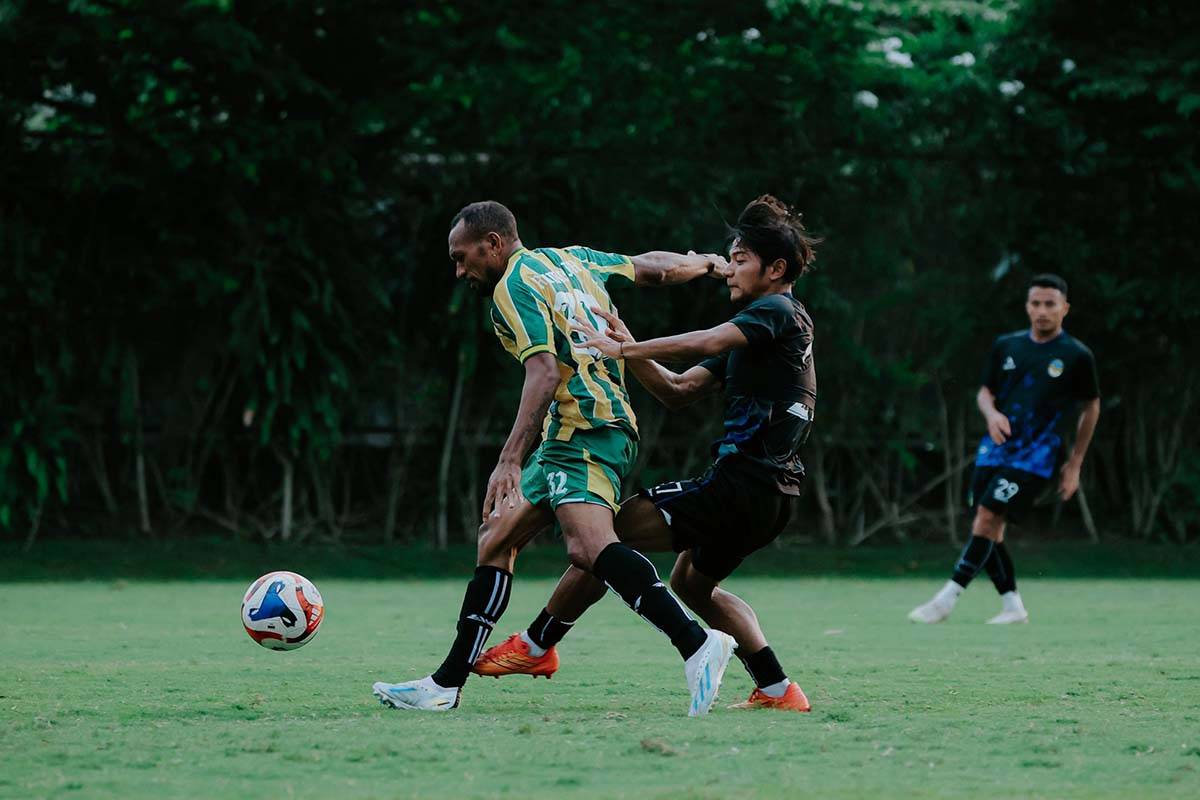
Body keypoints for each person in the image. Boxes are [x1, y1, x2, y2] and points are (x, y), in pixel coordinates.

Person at [372, 200, 738, 715]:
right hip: (576, 432)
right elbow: (652, 267)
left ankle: (697, 643)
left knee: (590, 548)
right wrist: (703, 264)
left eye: (462, 257)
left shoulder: (511, 289)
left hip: (585, 431)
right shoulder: (572, 260)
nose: (458, 270)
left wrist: (509, 459)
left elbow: (543, 374)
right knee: (496, 538)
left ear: (493, 244)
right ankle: (447, 683)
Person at [473, 195, 818, 712]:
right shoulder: (761, 338)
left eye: (740, 260)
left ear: (776, 269)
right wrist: (627, 340)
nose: (730, 270)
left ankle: (536, 644)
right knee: (691, 584)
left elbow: (704, 342)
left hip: (739, 485)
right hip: (773, 498)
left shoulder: (776, 310)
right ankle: (777, 688)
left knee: (601, 540)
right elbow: (676, 390)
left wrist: (625, 351)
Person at [909, 273, 1100, 624]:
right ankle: (1013, 606)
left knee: (986, 517)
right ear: (1028, 306)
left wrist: (1074, 464)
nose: (1042, 311)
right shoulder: (1007, 346)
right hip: (995, 449)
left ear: (1064, 308)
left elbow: (1091, 406)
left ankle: (946, 599)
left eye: (1050, 304)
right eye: (1035, 303)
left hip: (1038, 455)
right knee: (988, 525)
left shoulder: (1076, 355)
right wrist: (992, 414)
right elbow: (985, 393)